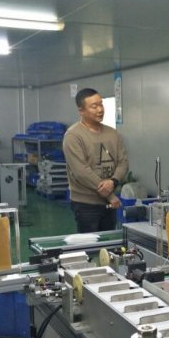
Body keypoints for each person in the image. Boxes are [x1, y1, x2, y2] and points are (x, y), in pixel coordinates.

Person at [63, 88, 129, 232]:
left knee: (109, 242)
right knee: (90, 243)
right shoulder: (73, 136)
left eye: (101, 104)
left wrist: (113, 181)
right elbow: (81, 172)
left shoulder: (112, 133)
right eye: (94, 106)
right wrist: (110, 195)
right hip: (86, 204)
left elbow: (123, 162)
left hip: (109, 203)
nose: (100, 109)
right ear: (81, 110)